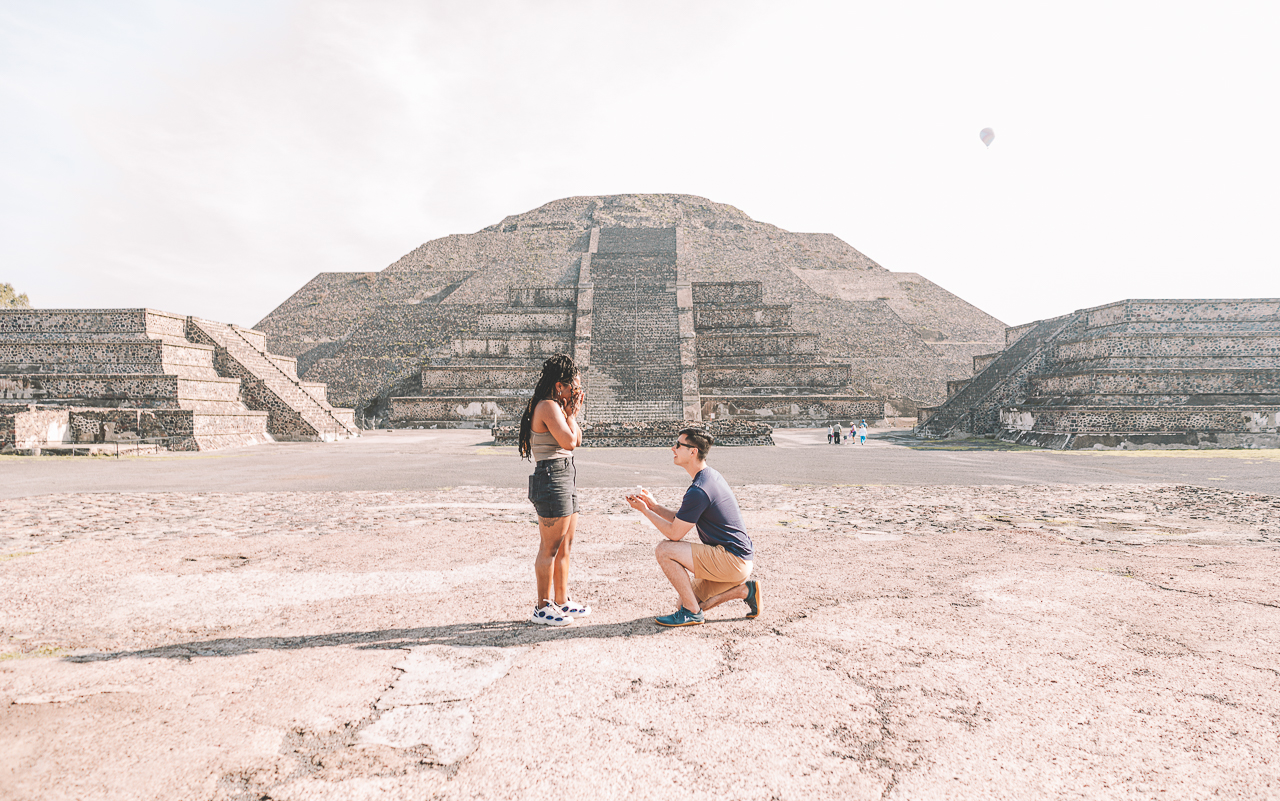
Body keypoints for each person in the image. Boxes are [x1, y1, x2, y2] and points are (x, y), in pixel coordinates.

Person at [625, 428, 759, 627]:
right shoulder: (708, 476)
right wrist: (654, 506)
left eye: (678, 445)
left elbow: (674, 533)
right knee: (683, 602)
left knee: (664, 549)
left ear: (693, 451)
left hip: (732, 560)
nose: (673, 448)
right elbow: (681, 520)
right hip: (739, 559)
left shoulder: (699, 490)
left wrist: (644, 511)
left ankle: (692, 613)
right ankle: (745, 591)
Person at [518, 354, 589, 626]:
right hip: (551, 477)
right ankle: (542, 607)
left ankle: (561, 601)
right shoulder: (547, 406)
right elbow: (569, 441)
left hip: (565, 473)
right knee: (550, 547)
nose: (577, 393)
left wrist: (571, 413)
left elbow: (577, 440)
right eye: (574, 387)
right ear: (560, 386)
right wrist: (570, 414)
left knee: (565, 545)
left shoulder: (558, 407)